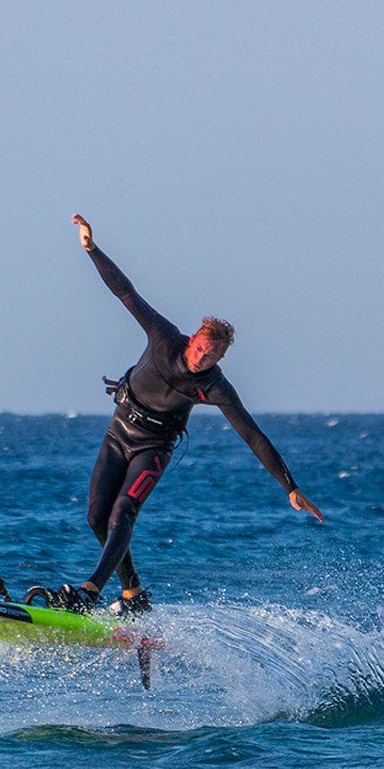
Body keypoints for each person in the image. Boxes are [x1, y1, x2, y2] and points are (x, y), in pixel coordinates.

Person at [48, 214, 323, 615]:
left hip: (154, 448)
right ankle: (133, 593)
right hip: (119, 432)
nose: (201, 358)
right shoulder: (163, 338)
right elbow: (126, 293)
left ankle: (91, 590)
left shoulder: (214, 386)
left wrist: (290, 487)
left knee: (122, 512)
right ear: (192, 338)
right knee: (96, 516)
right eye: (199, 349)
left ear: (220, 357)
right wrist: (92, 249)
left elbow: (253, 435)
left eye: (211, 356)